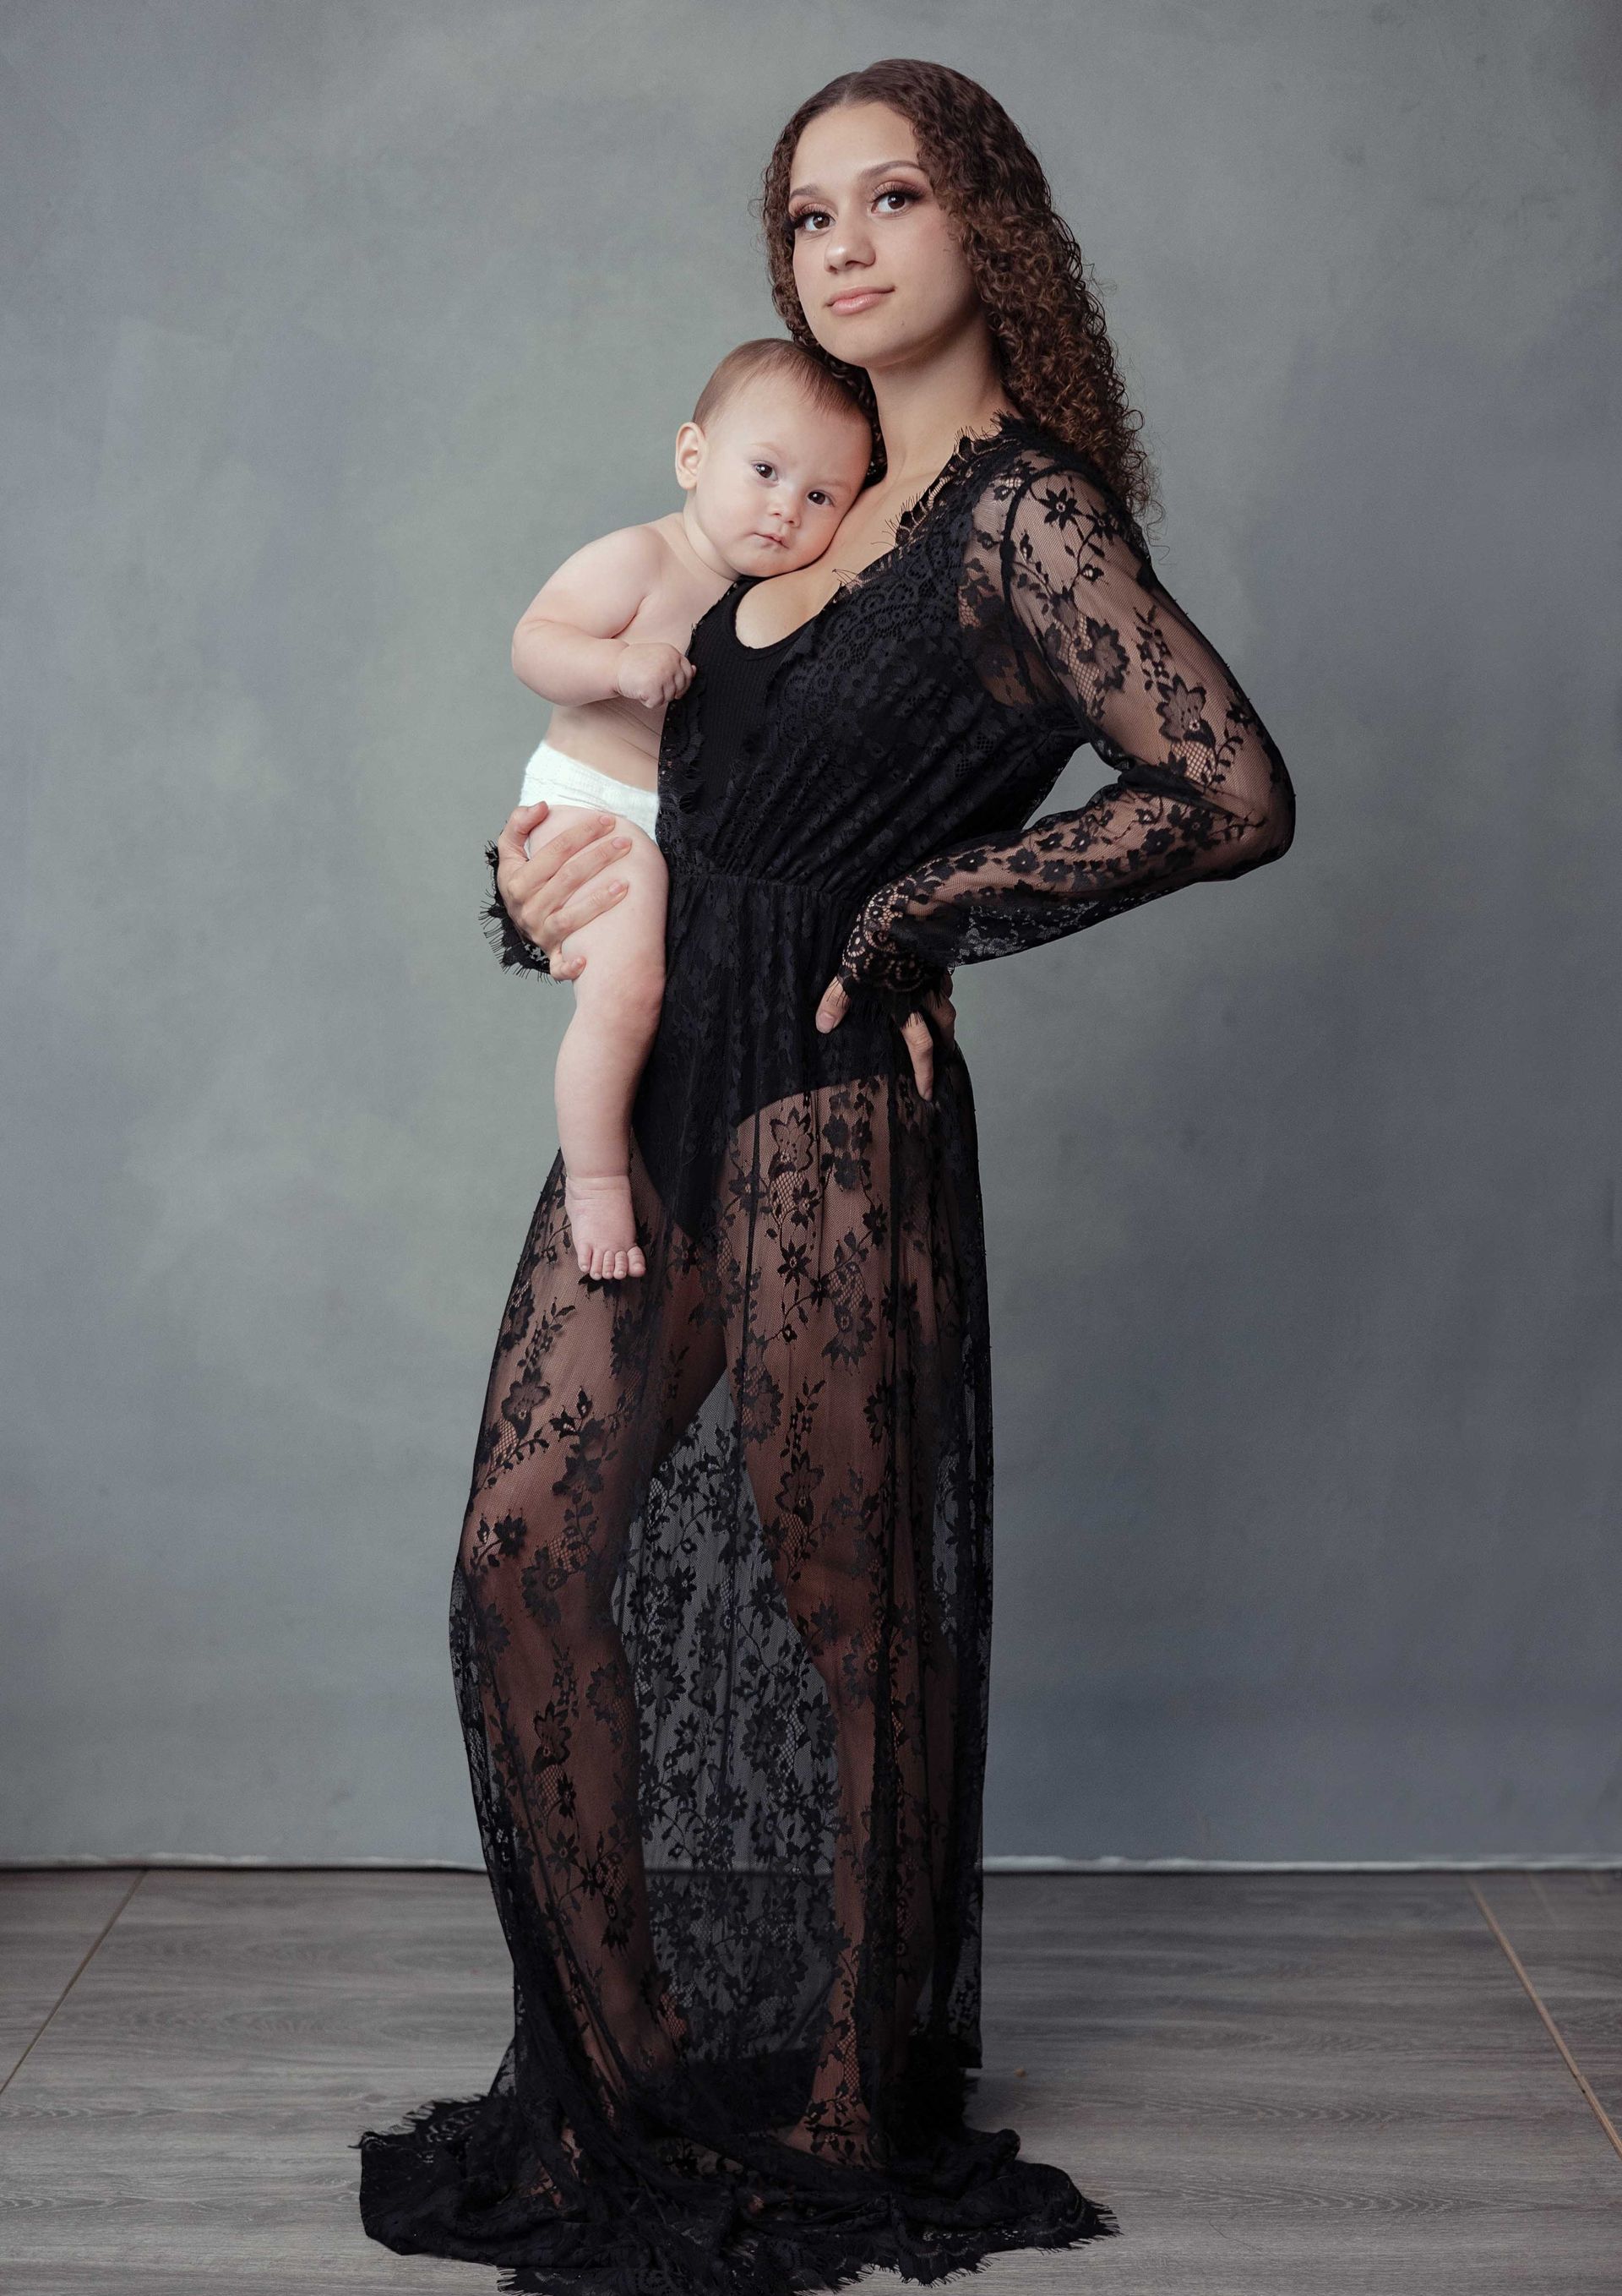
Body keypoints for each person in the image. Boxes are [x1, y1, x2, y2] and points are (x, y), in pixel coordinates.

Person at [358, 55, 1296, 2296]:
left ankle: (857, 2092)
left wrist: (930, 908)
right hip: (670, 1065)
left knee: (844, 1598)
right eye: (806, 215)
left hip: (829, 1112)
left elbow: (1229, 787)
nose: (843, 247)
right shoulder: (806, 482)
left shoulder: (1022, 515)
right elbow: (678, 782)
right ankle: (626, 2062)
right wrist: (540, 881)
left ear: (992, 222)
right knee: (521, 1554)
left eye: (892, 198)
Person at [509, 341, 874, 1279]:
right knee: (628, 992)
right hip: (593, 806)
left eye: (822, 496)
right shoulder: (643, 557)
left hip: (678, 833)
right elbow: (534, 642)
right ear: (692, 457)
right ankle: (596, 1181)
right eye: (765, 472)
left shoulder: (780, 600)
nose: (786, 509)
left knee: (679, 1006)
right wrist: (616, 665)